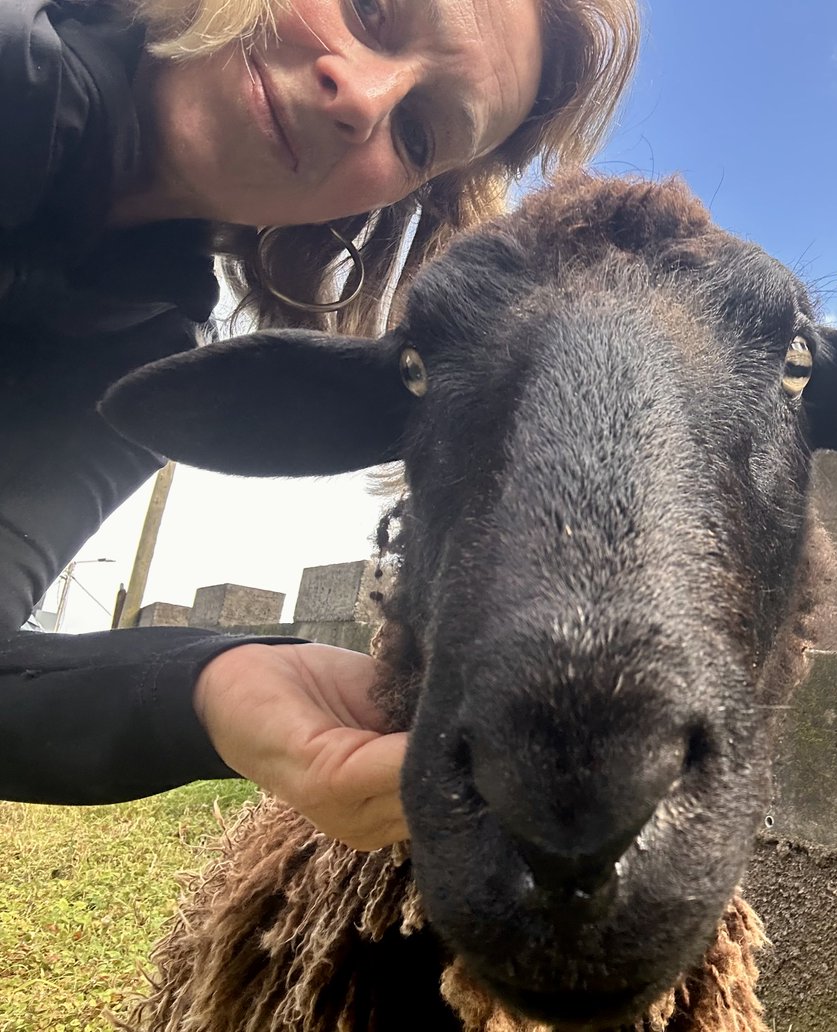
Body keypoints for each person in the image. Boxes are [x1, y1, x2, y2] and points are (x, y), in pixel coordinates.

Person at [0, 0, 639, 850]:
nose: (364, 99)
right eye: (371, 9)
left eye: (416, 134)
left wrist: (214, 685)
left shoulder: (134, 358)